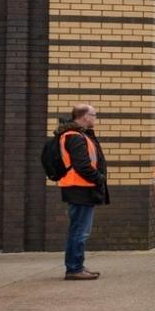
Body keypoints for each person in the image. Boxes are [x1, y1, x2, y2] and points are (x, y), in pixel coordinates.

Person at [54, 104, 108, 281]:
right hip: (81, 189)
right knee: (80, 231)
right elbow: (82, 165)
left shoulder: (78, 135)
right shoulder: (75, 137)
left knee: (78, 229)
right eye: (94, 114)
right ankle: (74, 268)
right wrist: (99, 178)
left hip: (80, 188)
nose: (95, 118)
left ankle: (77, 266)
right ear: (85, 116)